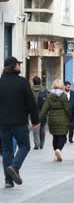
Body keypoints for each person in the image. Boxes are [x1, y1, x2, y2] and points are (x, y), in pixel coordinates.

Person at [0, 57, 40, 188]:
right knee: (25, 146)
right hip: (19, 122)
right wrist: (35, 120)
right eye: (18, 64)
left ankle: (8, 180)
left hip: (3, 123)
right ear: (13, 66)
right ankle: (14, 166)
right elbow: (31, 103)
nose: (20, 66)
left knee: (7, 149)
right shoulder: (22, 82)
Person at [39, 79, 71, 162]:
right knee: (63, 136)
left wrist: (39, 119)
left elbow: (44, 108)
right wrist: (71, 117)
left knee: (55, 136)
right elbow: (67, 108)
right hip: (63, 119)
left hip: (52, 118)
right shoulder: (63, 95)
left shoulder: (49, 95)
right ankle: (58, 150)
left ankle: (56, 154)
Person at [31, 76, 48, 149]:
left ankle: (36, 144)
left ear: (33, 82)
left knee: (35, 128)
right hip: (43, 111)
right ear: (40, 82)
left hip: (34, 111)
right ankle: (42, 144)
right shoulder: (44, 89)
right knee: (42, 127)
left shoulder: (30, 90)